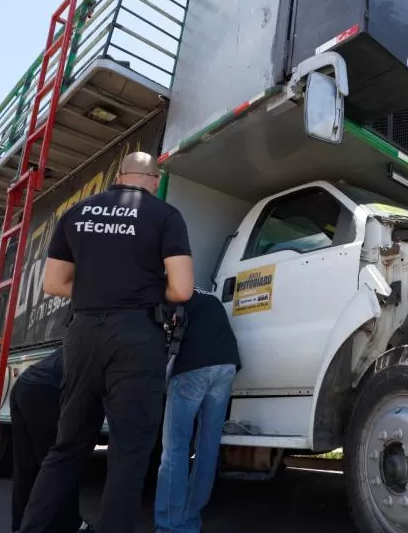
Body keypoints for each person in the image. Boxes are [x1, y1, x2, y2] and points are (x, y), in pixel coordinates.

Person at [19, 151, 195, 533]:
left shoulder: (76, 213)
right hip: (136, 337)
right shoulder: (165, 216)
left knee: (66, 448)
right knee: (129, 453)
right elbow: (181, 289)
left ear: (119, 175)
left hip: (82, 334)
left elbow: (53, 283)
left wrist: (100, 290)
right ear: (153, 178)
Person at [154, 289, 241, 533]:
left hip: (192, 370)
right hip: (226, 367)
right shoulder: (209, 298)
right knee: (207, 447)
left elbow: (163, 337)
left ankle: (170, 526)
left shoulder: (171, 297)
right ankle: (190, 521)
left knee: (175, 450)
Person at [9, 347, 92, 533]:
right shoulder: (112, 339)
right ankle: (72, 525)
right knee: (61, 464)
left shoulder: (84, 330)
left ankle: (19, 525)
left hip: (24, 385)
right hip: (46, 390)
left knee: (26, 467)